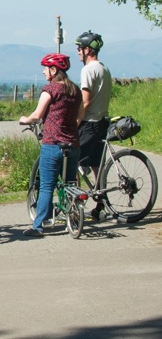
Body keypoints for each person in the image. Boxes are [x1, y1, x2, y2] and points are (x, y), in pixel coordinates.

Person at [20, 53, 84, 237]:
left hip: (52, 143)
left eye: (45, 68)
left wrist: (24, 120)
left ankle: (38, 225)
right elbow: (81, 115)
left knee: (47, 185)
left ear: (54, 70)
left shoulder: (51, 89)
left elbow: (37, 115)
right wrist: (70, 128)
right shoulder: (75, 90)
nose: (43, 71)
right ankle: (72, 217)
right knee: (69, 182)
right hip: (73, 143)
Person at [75, 31, 112, 219]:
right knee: (96, 164)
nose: (78, 52)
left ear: (88, 49)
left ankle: (75, 206)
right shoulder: (104, 68)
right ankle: (101, 204)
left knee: (71, 161)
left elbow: (86, 101)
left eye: (79, 49)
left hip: (89, 122)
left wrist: (75, 120)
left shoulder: (88, 70)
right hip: (102, 121)